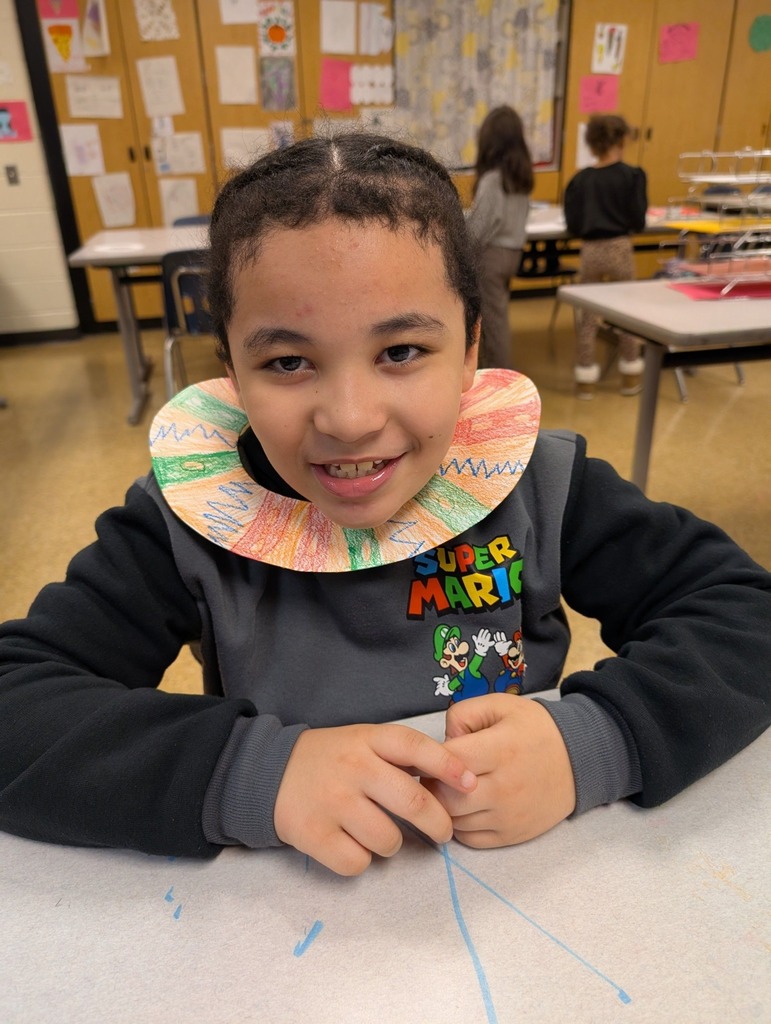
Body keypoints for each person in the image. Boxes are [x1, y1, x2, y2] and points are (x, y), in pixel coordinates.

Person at [0, 133, 769, 878]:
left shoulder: (540, 484)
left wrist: (595, 740)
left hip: (533, 901)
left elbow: (743, 614)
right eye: (287, 361)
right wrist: (249, 772)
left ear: (471, 349)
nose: (350, 417)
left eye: (400, 352)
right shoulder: (186, 522)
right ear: (229, 369)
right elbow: (17, 704)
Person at [563, 114, 648, 398]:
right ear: (621, 139)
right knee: (627, 313)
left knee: (588, 315)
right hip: (619, 248)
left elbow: (573, 224)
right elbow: (638, 221)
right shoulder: (632, 176)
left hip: (591, 251)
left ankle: (585, 381)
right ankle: (629, 376)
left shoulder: (581, 180)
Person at [465, 105, 533, 369]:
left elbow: (481, 225)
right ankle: (494, 369)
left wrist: (461, 245)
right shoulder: (520, 177)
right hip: (513, 254)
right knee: (498, 316)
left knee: (493, 323)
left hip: (492, 257)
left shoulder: (492, 179)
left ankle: (501, 377)